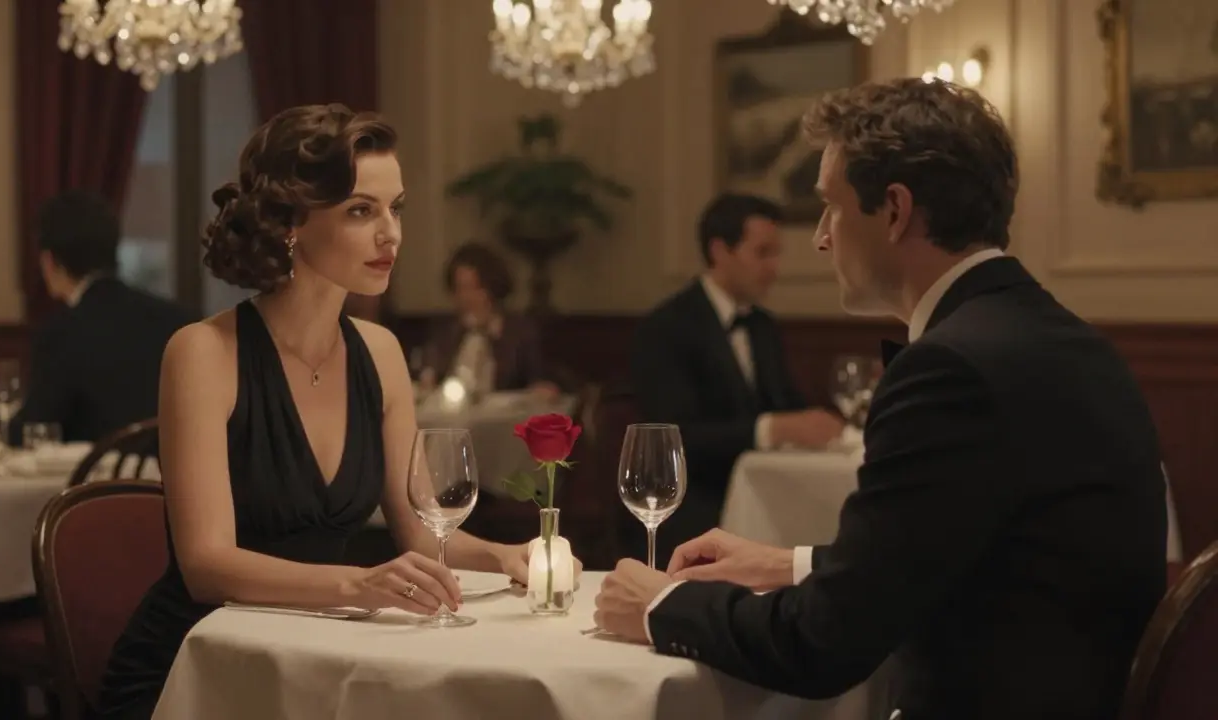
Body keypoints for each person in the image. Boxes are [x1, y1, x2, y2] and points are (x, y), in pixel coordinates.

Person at [593, 79, 1167, 719]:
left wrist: (659, 607)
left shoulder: (950, 367)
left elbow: (821, 645)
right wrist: (788, 563)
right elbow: (967, 553)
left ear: (893, 211)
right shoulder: (1065, 338)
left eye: (830, 208)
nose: (820, 238)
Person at [97, 105, 578, 720]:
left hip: (317, 652)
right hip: (199, 665)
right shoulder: (202, 354)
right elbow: (207, 567)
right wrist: (357, 584)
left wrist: (510, 554)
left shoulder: (380, 354)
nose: (391, 234)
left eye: (395, 208)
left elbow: (425, 530)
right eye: (360, 210)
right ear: (290, 222)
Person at [628, 193, 845, 567]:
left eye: (776, 254)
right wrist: (771, 429)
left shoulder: (763, 326)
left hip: (772, 495)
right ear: (720, 251)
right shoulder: (667, 328)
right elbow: (676, 438)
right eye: (763, 253)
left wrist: (812, 422)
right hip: (696, 503)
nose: (775, 267)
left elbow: (786, 404)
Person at [8, 190, 194, 445]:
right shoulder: (178, 320)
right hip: (170, 481)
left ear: (49, 260)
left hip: (96, 484)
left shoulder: (62, 334)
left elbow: (33, 428)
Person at [419, 241, 556, 396]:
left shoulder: (520, 333)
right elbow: (430, 373)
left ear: (492, 288)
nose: (466, 297)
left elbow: (538, 380)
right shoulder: (446, 332)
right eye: (459, 289)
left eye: (474, 288)